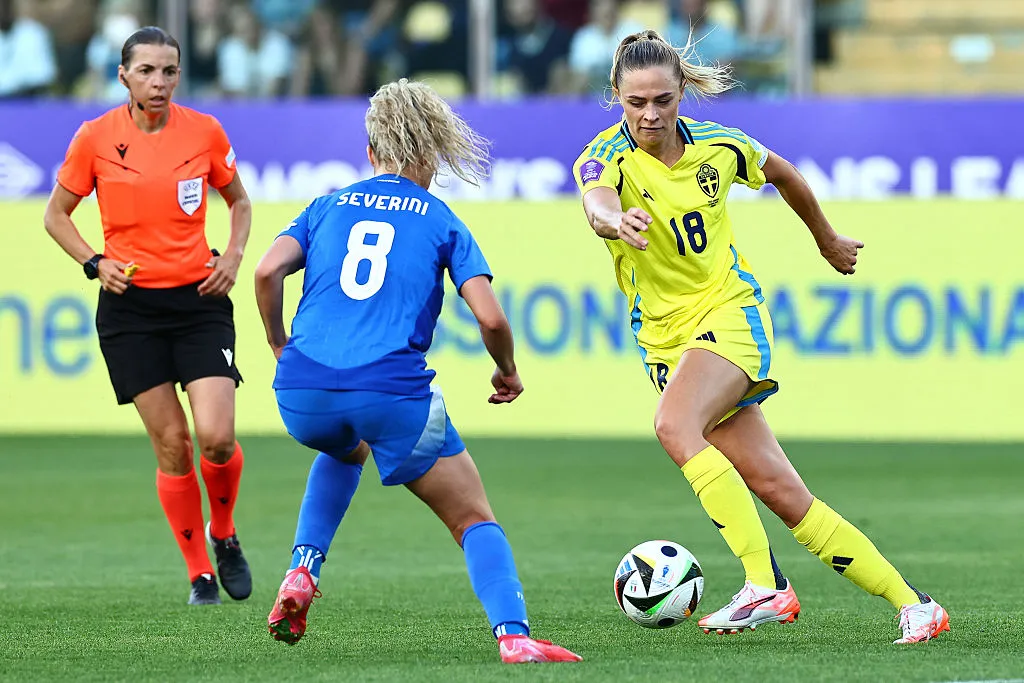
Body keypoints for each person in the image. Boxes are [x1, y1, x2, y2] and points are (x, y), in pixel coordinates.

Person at [572, 30, 949, 645]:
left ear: (682, 93)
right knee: (779, 490)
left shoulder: (721, 147)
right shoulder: (602, 157)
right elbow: (595, 202)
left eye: (663, 100)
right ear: (616, 95)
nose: (649, 114)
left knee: (673, 426)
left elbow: (786, 175)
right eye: (636, 101)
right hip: (666, 341)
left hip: (728, 315)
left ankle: (763, 586)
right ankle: (914, 604)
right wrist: (616, 219)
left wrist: (825, 237)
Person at [253, 78, 582, 664]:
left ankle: (303, 567)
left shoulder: (327, 204)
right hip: (389, 393)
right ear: (430, 150)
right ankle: (514, 636)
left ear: (371, 148)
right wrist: (507, 369)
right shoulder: (439, 217)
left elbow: (265, 272)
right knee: (474, 518)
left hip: (301, 392)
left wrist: (279, 343)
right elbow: (491, 317)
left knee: (342, 446)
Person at [43, 26, 253, 606]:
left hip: (198, 302)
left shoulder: (205, 132)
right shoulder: (96, 138)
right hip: (130, 311)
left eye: (169, 71)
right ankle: (198, 573)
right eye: (147, 71)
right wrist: (94, 263)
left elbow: (238, 201)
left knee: (215, 438)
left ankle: (225, 532)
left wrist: (232, 256)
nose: (158, 82)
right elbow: (57, 215)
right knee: (172, 445)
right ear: (124, 75)